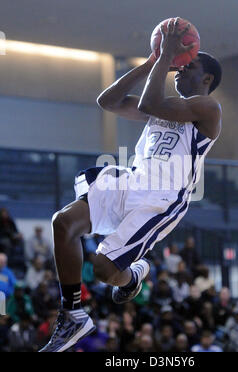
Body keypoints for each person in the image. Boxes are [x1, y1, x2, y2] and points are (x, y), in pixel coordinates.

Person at [40, 17, 222, 352]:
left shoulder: (208, 108)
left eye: (188, 63)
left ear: (207, 78)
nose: (179, 68)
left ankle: (133, 276)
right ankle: (72, 315)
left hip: (161, 198)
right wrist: (153, 62)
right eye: (178, 63)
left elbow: (151, 103)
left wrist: (166, 55)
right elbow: (107, 102)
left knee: (103, 270)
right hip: (131, 179)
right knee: (63, 222)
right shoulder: (160, 106)